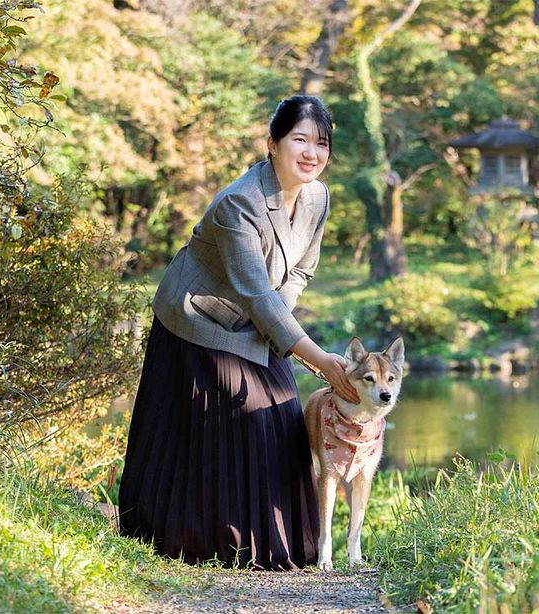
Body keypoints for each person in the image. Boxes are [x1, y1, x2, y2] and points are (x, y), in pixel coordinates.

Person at [117, 95, 359, 571]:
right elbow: (256, 293)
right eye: (300, 140)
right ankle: (203, 538)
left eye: (322, 143)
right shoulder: (239, 202)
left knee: (284, 409)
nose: (312, 153)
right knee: (248, 406)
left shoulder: (317, 197)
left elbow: (300, 273)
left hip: (259, 318)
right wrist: (317, 358)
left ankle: (282, 543)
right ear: (272, 143)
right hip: (199, 319)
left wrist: (277, 336)